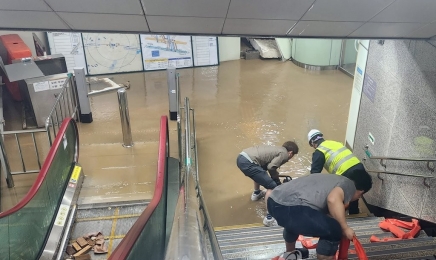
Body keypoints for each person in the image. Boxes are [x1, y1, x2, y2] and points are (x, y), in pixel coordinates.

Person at [267, 171, 372, 260]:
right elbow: (333, 199)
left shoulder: (329, 179)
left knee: (293, 223)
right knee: (334, 229)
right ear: (361, 192)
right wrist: (345, 228)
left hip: (274, 202)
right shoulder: (349, 184)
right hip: (294, 209)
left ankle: (290, 253)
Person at [237, 141, 299, 226]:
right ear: (291, 153)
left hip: (242, 157)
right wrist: (275, 178)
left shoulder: (277, 150)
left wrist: (274, 175)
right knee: (272, 186)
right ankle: (269, 219)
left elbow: (268, 166)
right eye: (293, 156)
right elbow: (271, 167)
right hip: (248, 162)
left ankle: (256, 193)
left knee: (259, 172)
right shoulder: (284, 154)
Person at [307, 129, 369, 215]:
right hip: (359, 166)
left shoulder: (319, 151)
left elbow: (314, 174)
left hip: (346, 172)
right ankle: (354, 214)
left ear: (312, 143)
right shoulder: (335, 143)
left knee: (337, 197)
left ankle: (337, 217)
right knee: (354, 194)